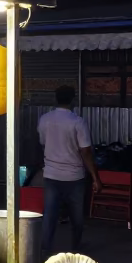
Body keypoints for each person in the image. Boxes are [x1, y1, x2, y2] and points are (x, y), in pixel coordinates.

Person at [38, 85, 102, 252]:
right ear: (73, 100)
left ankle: (45, 249)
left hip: (51, 175)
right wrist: (95, 178)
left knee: (49, 216)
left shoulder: (44, 119)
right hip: (75, 178)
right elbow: (86, 152)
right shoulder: (77, 122)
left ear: (55, 99)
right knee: (77, 218)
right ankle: (75, 248)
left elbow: (43, 143)